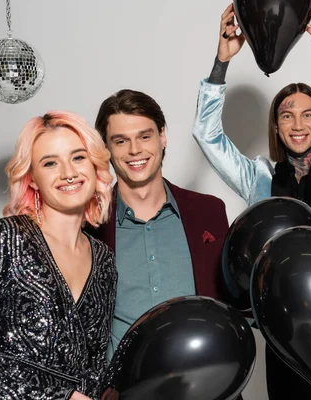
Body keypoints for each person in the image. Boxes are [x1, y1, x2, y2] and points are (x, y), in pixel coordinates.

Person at [192, 1, 311, 398]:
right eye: (287, 115)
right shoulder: (257, 177)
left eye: (308, 115)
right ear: (276, 127)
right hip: (285, 336)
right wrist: (221, 61)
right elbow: (206, 135)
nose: (298, 124)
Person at [0, 111, 117, 400]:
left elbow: (93, 366)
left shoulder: (104, 260)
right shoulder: (7, 239)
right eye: (50, 163)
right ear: (32, 178)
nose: (69, 173)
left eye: (78, 157)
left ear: (95, 165)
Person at [89, 89, 230, 363]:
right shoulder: (91, 225)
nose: (134, 150)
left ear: (162, 136)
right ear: (105, 149)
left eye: (144, 136)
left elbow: (233, 299)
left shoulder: (209, 211)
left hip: (208, 385)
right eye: (120, 141)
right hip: (124, 390)